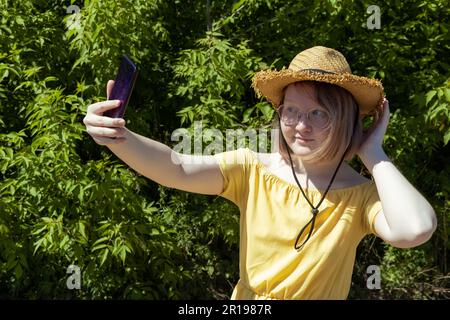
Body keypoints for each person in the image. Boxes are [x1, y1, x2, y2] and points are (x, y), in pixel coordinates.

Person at [83, 46, 437, 300]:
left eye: (319, 113)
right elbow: (176, 167)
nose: (300, 125)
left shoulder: (361, 196)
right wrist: (119, 137)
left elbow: (415, 228)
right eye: (291, 111)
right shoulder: (253, 169)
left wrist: (372, 151)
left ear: (346, 120)